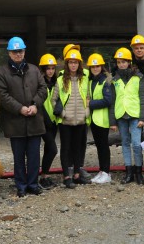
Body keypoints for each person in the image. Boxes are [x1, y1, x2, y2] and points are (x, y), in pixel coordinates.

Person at [0, 37, 47, 197]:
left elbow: (43, 89)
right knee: (18, 157)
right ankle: (21, 186)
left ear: (24, 52)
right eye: (15, 51)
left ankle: (33, 184)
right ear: (9, 53)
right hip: (15, 122)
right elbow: (2, 96)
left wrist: (35, 104)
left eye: (20, 51)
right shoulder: (2, 72)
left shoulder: (34, 70)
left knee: (33, 156)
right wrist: (20, 108)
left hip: (34, 121)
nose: (18, 54)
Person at [51, 49, 91, 188]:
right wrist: (63, 114)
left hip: (80, 120)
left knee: (78, 148)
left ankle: (77, 175)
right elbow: (53, 100)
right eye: (70, 62)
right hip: (66, 121)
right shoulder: (60, 80)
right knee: (66, 148)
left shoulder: (85, 79)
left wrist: (86, 112)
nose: (73, 65)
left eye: (75, 62)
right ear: (67, 64)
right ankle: (66, 176)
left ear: (79, 64)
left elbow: (88, 97)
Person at [112, 47, 144, 185]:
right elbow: (113, 101)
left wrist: (142, 118)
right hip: (121, 115)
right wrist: (112, 121)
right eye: (119, 62)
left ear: (129, 62)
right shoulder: (114, 79)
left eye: (124, 62)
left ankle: (138, 172)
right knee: (125, 144)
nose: (121, 64)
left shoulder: (138, 77)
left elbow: (143, 98)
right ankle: (129, 173)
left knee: (137, 144)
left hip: (135, 116)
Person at [86, 53, 115, 184]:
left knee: (103, 146)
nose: (95, 68)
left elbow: (108, 100)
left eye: (97, 66)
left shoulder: (106, 81)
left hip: (102, 120)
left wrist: (90, 103)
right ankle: (102, 171)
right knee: (99, 146)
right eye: (93, 66)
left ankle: (106, 173)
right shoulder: (91, 81)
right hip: (93, 120)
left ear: (101, 66)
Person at [38, 54, 59, 189]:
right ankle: (43, 175)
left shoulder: (56, 83)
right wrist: (46, 119)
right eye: (48, 68)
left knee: (48, 149)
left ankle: (44, 176)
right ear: (43, 70)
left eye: (52, 68)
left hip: (54, 120)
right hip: (43, 121)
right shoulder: (40, 84)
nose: (50, 71)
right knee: (53, 149)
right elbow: (39, 103)